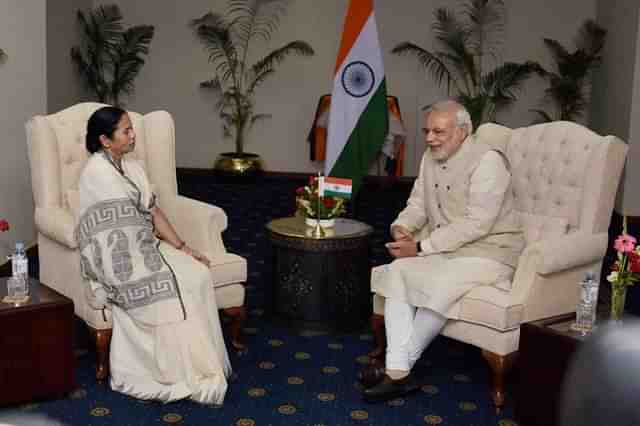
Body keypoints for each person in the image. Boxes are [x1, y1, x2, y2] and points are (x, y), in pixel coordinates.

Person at [360, 100, 524, 402]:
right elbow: (418, 204)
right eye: (427, 131)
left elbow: (477, 224)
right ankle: (399, 372)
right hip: (447, 249)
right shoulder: (429, 157)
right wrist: (403, 228)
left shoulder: (488, 161)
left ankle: (396, 369)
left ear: (462, 132)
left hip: (491, 251)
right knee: (398, 271)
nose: (430, 138)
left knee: (440, 283)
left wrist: (421, 247)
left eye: (439, 132)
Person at [76, 106, 231, 405]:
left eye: (132, 128)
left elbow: (153, 211)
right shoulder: (95, 173)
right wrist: (142, 252)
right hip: (118, 259)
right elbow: (102, 232)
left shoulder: (132, 167)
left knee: (197, 274)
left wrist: (183, 247)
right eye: (126, 130)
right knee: (168, 289)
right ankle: (171, 371)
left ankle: (199, 365)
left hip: (147, 246)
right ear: (105, 140)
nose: (133, 135)